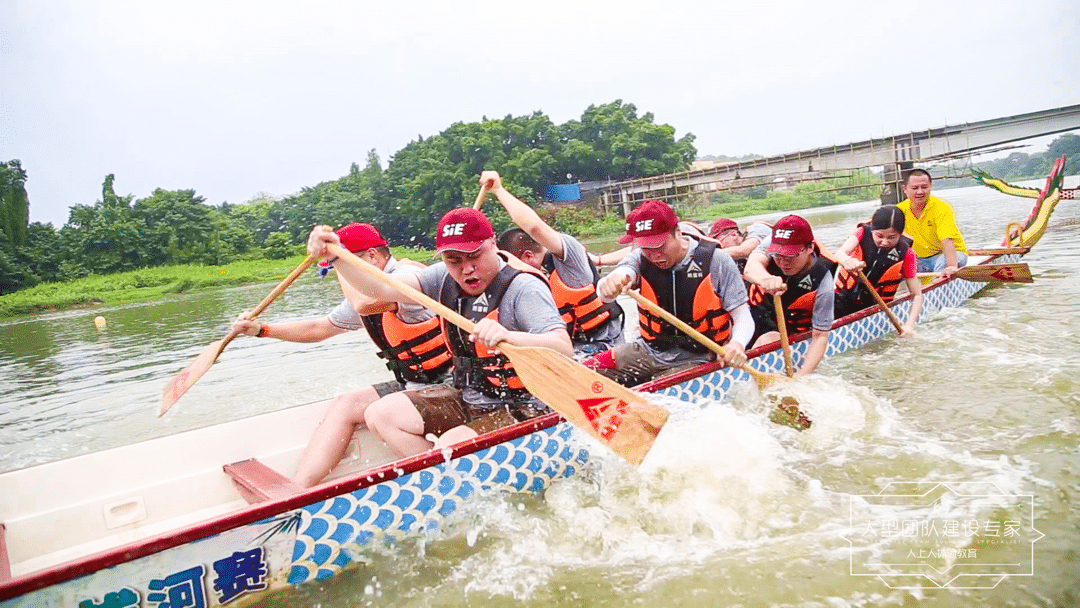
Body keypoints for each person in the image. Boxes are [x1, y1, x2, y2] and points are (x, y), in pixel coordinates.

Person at [307, 207, 573, 454]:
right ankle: (439, 474)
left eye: (475, 256)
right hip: (469, 396)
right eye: (453, 260)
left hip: (525, 404)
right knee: (381, 414)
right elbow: (380, 288)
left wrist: (509, 336)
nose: (466, 269)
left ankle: (451, 467)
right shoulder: (441, 278)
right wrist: (337, 258)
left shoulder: (524, 288)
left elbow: (563, 348)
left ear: (493, 243)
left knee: (451, 442)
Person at [244, 222, 453, 488]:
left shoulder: (406, 277)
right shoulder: (366, 289)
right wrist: (262, 330)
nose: (343, 277)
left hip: (451, 384)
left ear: (373, 256)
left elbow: (363, 304)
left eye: (347, 267)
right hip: (416, 384)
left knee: (379, 414)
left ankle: (444, 479)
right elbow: (319, 328)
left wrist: (336, 258)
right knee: (346, 404)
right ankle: (296, 490)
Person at [585, 199, 752, 387]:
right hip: (648, 351)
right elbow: (610, 287)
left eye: (659, 246)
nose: (654, 255)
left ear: (678, 233)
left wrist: (737, 343)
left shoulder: (717, 260)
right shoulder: (638, 258)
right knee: (583, 372)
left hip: (698, 358)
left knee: (654, 394)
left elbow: (743, 315)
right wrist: (610, 283)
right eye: (646, 248)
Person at [481, 170, 624, 355]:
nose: (511, 271)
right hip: (564, 353)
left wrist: (498, 190)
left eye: (513, 264)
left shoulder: (569, 260)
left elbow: (535, 227)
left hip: (605, 348)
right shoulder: (523, 289)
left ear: (528, 256)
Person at [743, 215, 834, 376]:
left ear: (810, 248)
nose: (783, 262)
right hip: (755, 316)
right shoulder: (770, 242)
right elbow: (751, 267)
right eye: (778, 255)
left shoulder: (824, 279)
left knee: (769, 339)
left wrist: (802, 375)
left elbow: (820, 336)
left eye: (790, 256)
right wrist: (766, 279)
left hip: (787, 330)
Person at [832, 205, 924, 336]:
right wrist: (847, 261)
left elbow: (917, 295)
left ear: (900, 234)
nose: (884, 242)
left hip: (876, 308)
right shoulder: (862, 232)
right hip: (842, 298)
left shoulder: (907, 253)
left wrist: (909, 326)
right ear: (873, 229)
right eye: (879, 236)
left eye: (892, 237)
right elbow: (840, 253)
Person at [896, 169, 968, 278]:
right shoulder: (898, 210)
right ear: (905, 189)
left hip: (946, 255)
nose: (920, 192)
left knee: (943, 264)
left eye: (924, 187)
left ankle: (939, 284)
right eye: (915, 188)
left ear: (930, 187)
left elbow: (947, 240)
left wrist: (952, 267)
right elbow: (878, 227)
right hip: (919, 259)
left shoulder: (942, 207)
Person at [707, 217, 773, 271]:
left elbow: (745, 250)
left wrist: (708, 254)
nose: (717, 245)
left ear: (734, 234)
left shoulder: (759, 229)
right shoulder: (733, 256)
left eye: (718, 240)